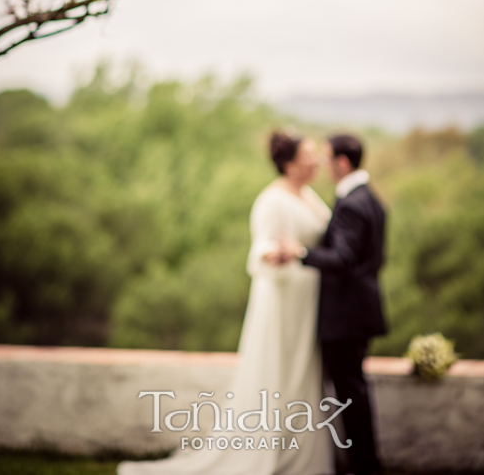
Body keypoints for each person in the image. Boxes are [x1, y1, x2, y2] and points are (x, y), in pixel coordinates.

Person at [117, 131, 334, 475]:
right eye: (309, 155)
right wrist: (274, 254)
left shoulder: (308, 195)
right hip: (282, 300)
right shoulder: (272, 201)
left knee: (302, 373)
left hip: (306, 300)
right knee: (280, 373)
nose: (317, 161)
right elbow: (260, 249)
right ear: (290, 163)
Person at [280, 134, 388, 475]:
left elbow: (343, 256)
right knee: (352, 388)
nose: (324, 167)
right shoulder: (368, 198)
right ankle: (364, 462)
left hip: (346, 316)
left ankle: (364, 464)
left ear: (343, 163)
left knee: (350, 393)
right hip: (358, 311)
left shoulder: (352, 204)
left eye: (327, 160)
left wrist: (299, 252)